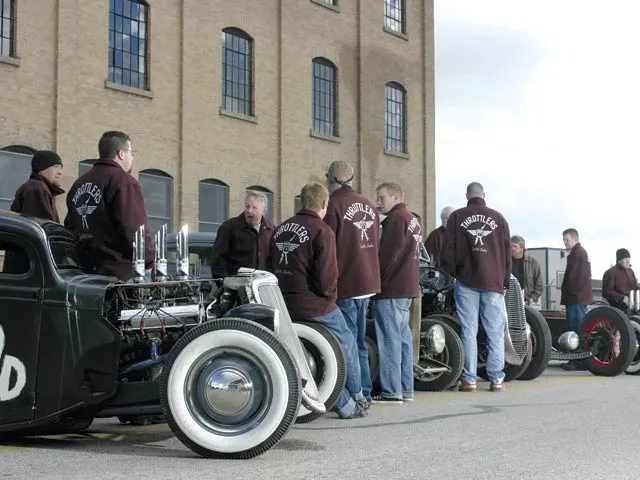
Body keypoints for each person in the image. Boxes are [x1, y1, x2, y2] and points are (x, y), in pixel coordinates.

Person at [269, 182, 367, 419]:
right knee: (346, 343)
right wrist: (329, 298)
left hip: (283, 305)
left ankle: (344, 404)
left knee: (301, 357)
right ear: (324, 203)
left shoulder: (280, 229)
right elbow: (327, 277)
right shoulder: (322, 231)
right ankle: (358, 396)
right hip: (314, 306)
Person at [441, 182, 511, 393]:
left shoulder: (457, 217)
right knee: (495, 332)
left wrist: (452, 272)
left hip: (467, 282)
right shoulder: (499, 219)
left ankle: (469, 379)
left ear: (466, 196)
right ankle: (496, 379)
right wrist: (504, 281)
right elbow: (507, 254)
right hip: (493, 283)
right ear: (484, 195)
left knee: (468, 330)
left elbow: (448, 250)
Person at [324, 160, 380, 406]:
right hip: (367, 283)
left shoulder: (333, 205)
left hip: (346, 283)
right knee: (359, 342)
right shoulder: (368, 205)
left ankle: (354, 394)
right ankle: (364, 391)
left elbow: (326, 248)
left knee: (345, 343)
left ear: (332, 179)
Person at [64, 131, 154, 281]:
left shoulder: (78, 184)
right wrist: (149, 261)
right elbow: (135, 229)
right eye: (131, 153)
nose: (132, 158)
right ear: (121, 154)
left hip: (83, 275)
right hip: (119, 274)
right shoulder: (124, 181)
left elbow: (70, 227)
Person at [372, 181, 421, 404]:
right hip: (407, 288)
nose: (378, 203)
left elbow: (387, 255)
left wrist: (375, 281)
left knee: (389, 340)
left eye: (381, 198)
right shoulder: (412, 219)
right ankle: (406, 389)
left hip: (391, 288)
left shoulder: (396, 219)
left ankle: (392, 392)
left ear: (395, 197)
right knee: (403, 340)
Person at [209, 190, 274, 277]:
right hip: (236, 283)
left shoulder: (271, 230)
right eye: (247, 206)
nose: (249, 211)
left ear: (264, 211)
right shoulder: (229, 227)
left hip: (263, 283)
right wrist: (225, 281)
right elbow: (217, 259)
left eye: (254, 208)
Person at [560, 228, 592, 371]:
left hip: (576, 298)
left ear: (574, 238)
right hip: (576, 297)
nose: (564, 242)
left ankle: (579, 361)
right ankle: (576, 359)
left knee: (576, 329)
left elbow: (575, 278)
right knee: (575, 328)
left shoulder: (578, 253)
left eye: (566, 239)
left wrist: (568, 292)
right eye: (564, 240)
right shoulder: (577, 253)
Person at [11, 150, 65, 222]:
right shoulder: (37, 189)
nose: (60, 172)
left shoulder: (38, 187)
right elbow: (42, 224)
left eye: (61, 168)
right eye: (56, 167)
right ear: (41, 169)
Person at [511, 235, 543, 308]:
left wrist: (532, 298)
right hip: (510, 300)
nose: (512, 248)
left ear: (522, 248)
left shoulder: (533, 263)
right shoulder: (506, 262)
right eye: (511, 246)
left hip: (528, 301)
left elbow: (539, 284)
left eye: (515, 246)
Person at [602, 248, 637, 313]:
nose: (628, 261)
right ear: (619, 260)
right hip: (617, 309)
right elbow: (606, 292)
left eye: (629, 259)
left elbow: (635, 286)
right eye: (625, 259)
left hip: (631, 306)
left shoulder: (630, 271)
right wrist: (622, 298)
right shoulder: (610, 273)